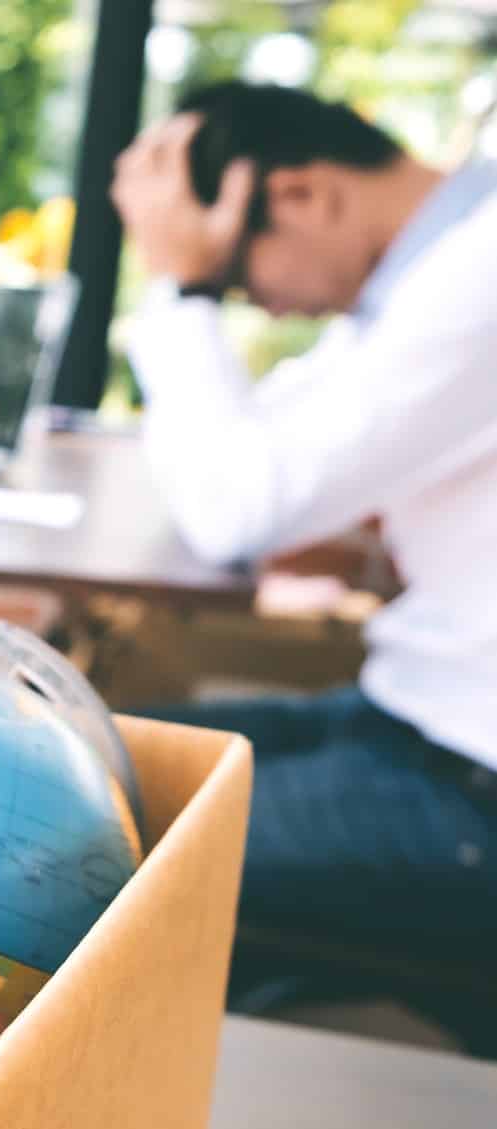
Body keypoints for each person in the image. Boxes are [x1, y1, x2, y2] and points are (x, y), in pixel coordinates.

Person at [111, 82, 497, 979]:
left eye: (243, 277)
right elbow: (259, 461)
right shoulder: (418, 284)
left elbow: (236, 509)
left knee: (74, 847)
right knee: (77, 755)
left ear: (300, 195)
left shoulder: (476, 276)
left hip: (468, 782)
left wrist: (184, 288)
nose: (264, 306)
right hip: (409, 717)